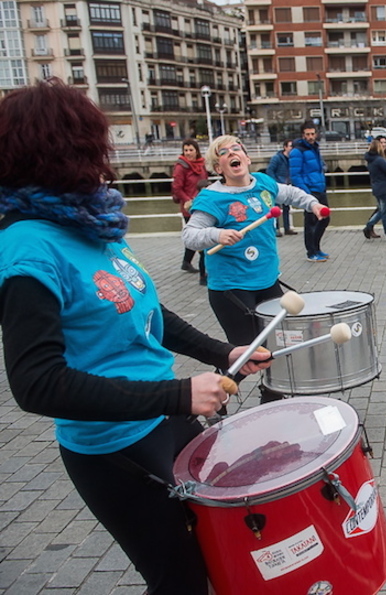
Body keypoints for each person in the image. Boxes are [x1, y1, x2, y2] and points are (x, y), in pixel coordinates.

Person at [0, 79, 273, 595]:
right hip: (113, 449)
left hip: (166, 420)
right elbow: (34, 383)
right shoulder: (27, 249)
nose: (102, 158)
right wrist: (180, 392)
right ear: (58, 150)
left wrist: (224, 351)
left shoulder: (88, 228)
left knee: (222, 552)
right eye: (91, 145)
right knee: (181, 580)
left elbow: (146, 311)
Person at [182, 135, 328, 404]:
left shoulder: (263, 183)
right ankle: (213, 398)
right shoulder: (211, 198)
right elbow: (190, 236)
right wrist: (217, 234)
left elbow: (291, 193)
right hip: (231, 288)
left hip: (268, 282)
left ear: (247, 159)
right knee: (248, 351)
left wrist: (313, 204)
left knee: (278, 346)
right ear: (219, 168)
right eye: (224, 153)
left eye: (236, 149)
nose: (232, 154)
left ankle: (271, 397)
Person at [290, 121, 331, 262]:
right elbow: (295, 175)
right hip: (310, 190)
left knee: (325, 219)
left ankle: (317, 247)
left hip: (319, 188)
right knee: (311, 222)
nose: (310, 137)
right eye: (307, 134)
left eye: (312, 134)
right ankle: (311, 252)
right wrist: (306, 192)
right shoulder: (298, 151)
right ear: (303, 135)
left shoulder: (315, 149)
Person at [172, 138, 209, 284]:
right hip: (190, 206)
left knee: (197, 236)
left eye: (191, 150)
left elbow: (205, 181)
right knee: (197, 236)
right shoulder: (181, 167)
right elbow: (177, 187)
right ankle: (202, 273)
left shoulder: (202, 164)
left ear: (196, 150)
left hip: (203, 202)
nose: (188, 153)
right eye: (186, 150)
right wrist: (188, 201)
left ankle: (186, 262)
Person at [266, 139, 297, 235]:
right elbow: (270, 171)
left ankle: (287, 228)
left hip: (287, 185)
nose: (292, 148)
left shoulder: (292, 159)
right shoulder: (277, 158)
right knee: (276, 208)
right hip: (278, 186)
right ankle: (276, 229)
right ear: (285, 147)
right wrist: (275, 183)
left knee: (286, 207)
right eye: (290, 146)